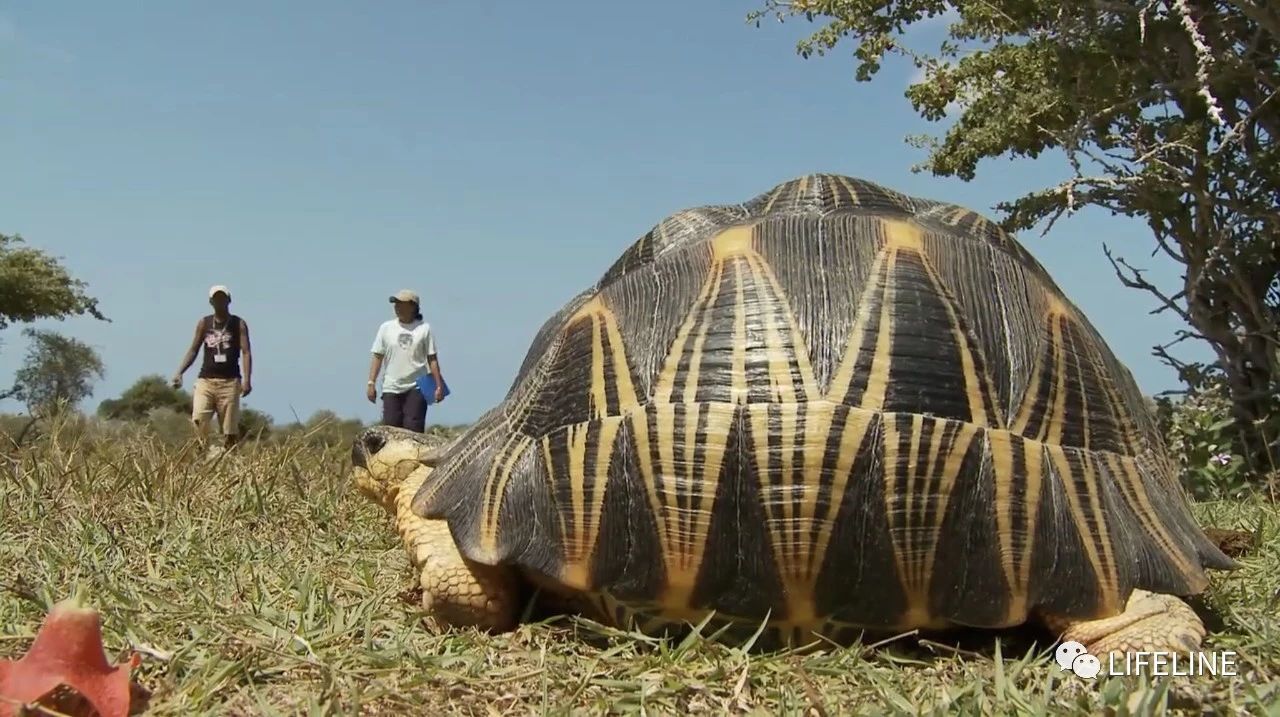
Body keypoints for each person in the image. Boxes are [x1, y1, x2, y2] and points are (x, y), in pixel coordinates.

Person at [172, 285, 253, 450]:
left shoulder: (238, 324)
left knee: (229, 430)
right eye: (216, 298)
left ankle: (230, 461)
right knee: (199, 423)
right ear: (211, 301)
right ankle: (200, 461)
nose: (219, 301)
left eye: (223, 298)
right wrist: (180, 372)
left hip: (229, 382)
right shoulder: (204, 323)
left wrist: (247, 380)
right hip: (206, 381)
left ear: (229, 300)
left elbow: (246, 352)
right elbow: (194, 349)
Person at [367, 289, 445, 432]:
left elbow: (432, 359)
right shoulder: (386, 328)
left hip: (416, 387)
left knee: (413, 428)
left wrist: (438, 385)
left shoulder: (424, 329)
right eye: (395, 304)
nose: (397, 307)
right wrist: (371, 383)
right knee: (391, 429)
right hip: (391, 386)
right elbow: (378, 356)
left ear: (413, 306)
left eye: (401, 304)